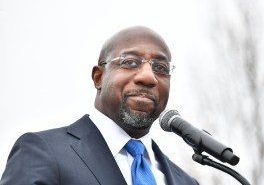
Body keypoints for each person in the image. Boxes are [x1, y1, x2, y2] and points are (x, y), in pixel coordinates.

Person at [0, 26, 199, 185]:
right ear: (99, 78)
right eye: (130, 62)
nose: (148, 77)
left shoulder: (186, 181)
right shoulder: (44, 152)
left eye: (160, 68)